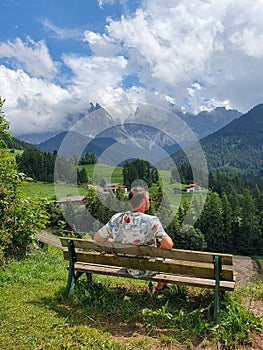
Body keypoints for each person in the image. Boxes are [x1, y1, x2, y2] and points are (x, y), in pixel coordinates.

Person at [94, 186, 174, 290]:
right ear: (144, 201)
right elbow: (168, 245)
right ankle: (160, 286)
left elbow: (97, 238)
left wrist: (114, 242)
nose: (149, 201)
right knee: (166, 258)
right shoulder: (151, 221)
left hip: (128, 266)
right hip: (148, 268)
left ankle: (159, 285)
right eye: (148, 199)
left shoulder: (117, 218)